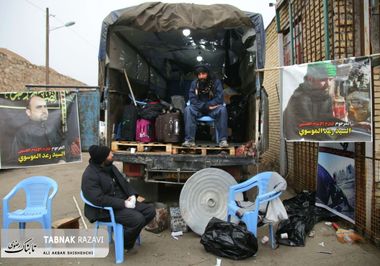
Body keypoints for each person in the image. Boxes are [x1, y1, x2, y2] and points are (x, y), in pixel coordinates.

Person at [81, 145, 156, 250]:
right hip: (104, 210)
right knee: (138, 219)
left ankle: (126, 235)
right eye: (109, 154)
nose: (112, 155)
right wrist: (123, 203)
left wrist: (132, 195)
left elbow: (123, 182)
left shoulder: (109, 167)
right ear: (102, 159)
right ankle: (123, 244)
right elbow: (99, 199)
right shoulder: (90, 175)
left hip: (121, 202)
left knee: (150, 211)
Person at [10, 95, 81, 165]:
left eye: (45, 107)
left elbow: (62, 145)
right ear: (28, 112)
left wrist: (63, 158)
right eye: (39, 107)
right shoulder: (22, 132)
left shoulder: (52, 127)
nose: (44, 111)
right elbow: (16, 160)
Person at [283, 62, 340, 140]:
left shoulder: (324, 96)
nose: (328, 84)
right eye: (323, 79)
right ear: (310, 79)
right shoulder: (300, 98)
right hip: (300, 145)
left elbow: (327, 120)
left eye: (330, 79)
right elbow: (307, 129)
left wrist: (350, 126)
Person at [182, 63, 229, 147]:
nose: (201, 76)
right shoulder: (194, 83)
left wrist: (209, 106)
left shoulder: (216, 82)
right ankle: (189, 140)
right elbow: (192, 99)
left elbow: (219, 99)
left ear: (208, 73)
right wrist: (206, 106)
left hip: (213, 109)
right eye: (199, 74)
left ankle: (223, 140)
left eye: (203, 74)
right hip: (199, 109)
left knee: (222, 109)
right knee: (188, 109)